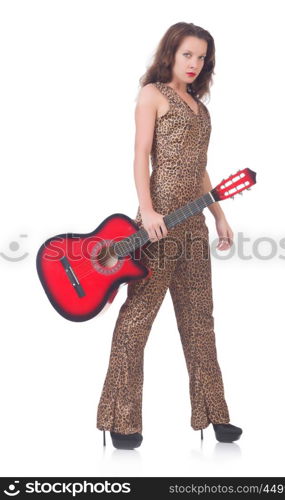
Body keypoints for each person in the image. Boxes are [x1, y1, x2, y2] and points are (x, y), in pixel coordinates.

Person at [97, 22, 242, 449]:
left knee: (201, 322)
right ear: (171, 55)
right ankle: (121, 420)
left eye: (201, 57)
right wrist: (146, 209)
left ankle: (216, 416)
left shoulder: (202, 109)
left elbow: (200, 172)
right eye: (187, 55)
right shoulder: (153, 95)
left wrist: (218, 215)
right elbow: (141, 154)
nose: (195, 64)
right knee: (136, 320)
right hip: (157, 225)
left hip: (194, 229)